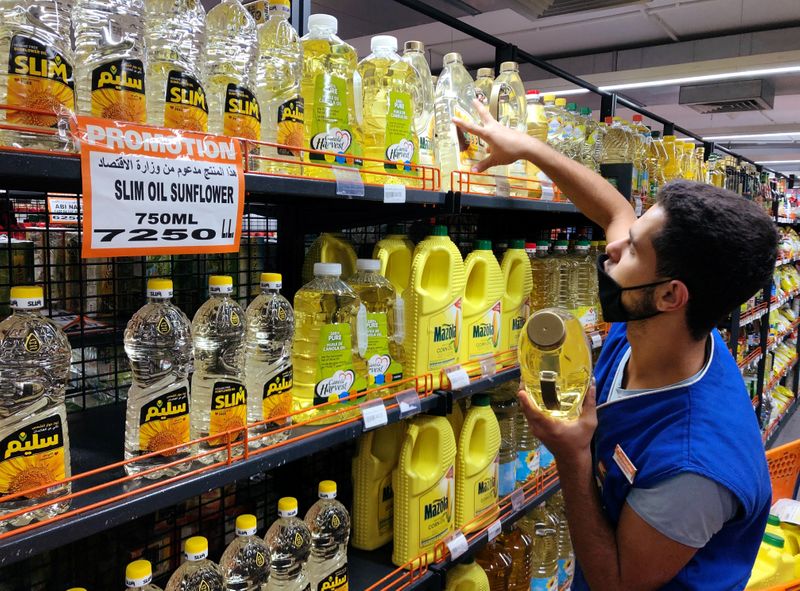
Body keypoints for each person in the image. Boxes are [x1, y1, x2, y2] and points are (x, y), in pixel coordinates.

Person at [454, 101, 776, 590]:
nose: (614, 244)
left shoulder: (694, 467)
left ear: (671, 294)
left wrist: (573, 456)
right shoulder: (661, 322)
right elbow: (615, 209)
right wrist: (526, 148)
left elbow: (618, 584)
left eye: (633, 249)